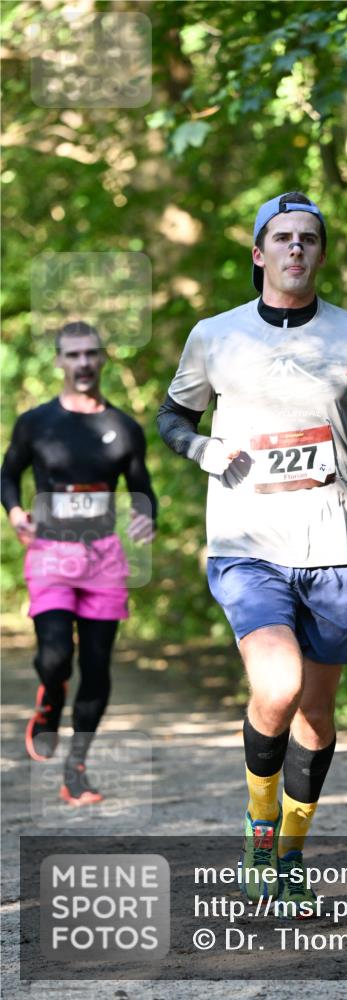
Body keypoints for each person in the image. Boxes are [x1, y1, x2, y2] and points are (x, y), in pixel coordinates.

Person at [158, 191, 347, 915]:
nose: (296, 247)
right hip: (246, 545)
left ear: (320, 254)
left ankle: (290, 856)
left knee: (317, 716)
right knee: (278, 686)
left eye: (309, 238)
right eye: (283, 237)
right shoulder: (215, 335)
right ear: (259, 254)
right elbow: (172, 418)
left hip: (329, 546)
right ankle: (260, 829)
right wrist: (203, 449)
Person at [1, 321, 157, 805]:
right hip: (50, 553)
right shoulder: (36, 422)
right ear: (59, 361)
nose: (83, 363)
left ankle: (77, 769)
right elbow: (8, 475)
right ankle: (50, 699)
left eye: (91, 353)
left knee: (96, 666)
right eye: (73, 355)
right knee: (54, 658)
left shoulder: (123, 428)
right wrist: (15, 512)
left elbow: (142, 489)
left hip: (103, 558)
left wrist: (146, 516)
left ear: (103, 358)